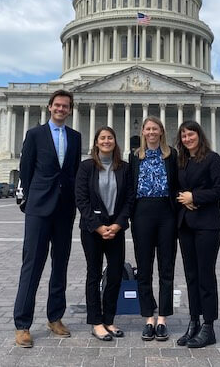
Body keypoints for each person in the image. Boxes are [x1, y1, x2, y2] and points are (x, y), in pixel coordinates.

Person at [13, 90, 82, 348]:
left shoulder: (75, 137)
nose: (61, 109)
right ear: (50, 107)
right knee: (32, 266)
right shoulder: (34, 135)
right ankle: (22, 324)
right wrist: (28, 201)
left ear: (70, 110)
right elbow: (26, 170)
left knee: (60, 265)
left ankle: (55, 317)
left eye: (65, 106)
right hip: (39, 208)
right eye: (57, 105)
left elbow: (73, 172)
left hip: (65, 209)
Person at [75, 126, 134, 341]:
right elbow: (81, 200)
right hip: (92, 229)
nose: (106, 141)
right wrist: (98, 226)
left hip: (116, 228)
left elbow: (129, 199)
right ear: (96, 142)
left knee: (116, 273)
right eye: (103, 138)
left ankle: (109, 319)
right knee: (94, 273)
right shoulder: (86, 167)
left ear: (115, 142)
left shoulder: (124, 168)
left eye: (110, 137)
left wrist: (118, 224)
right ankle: (96, 322)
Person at [175, 120, 220, 348]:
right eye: (184, 135)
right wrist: (183, 198)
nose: (188, 138)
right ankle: (193, 321)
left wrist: (194, 197)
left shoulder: (212, 158)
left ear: (199, 135)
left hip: (207, 225)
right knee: (191, 276)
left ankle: (209, 326)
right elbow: (174, 187)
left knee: (206, 276)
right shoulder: (181, 161)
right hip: (186, 225)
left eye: (191, 134)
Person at [129, 116, 178, 341]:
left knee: (166, 267)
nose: (151, 132)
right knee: (144, 268)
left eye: (155, 129)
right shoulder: (134, 156)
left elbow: (178, 183)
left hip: (166, 213)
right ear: (143, 132)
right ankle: (148, 317)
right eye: (147, 129)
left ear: (161, 131)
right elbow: (129, 188)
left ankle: (163, 318)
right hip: (142, 213)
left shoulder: (172, 155)